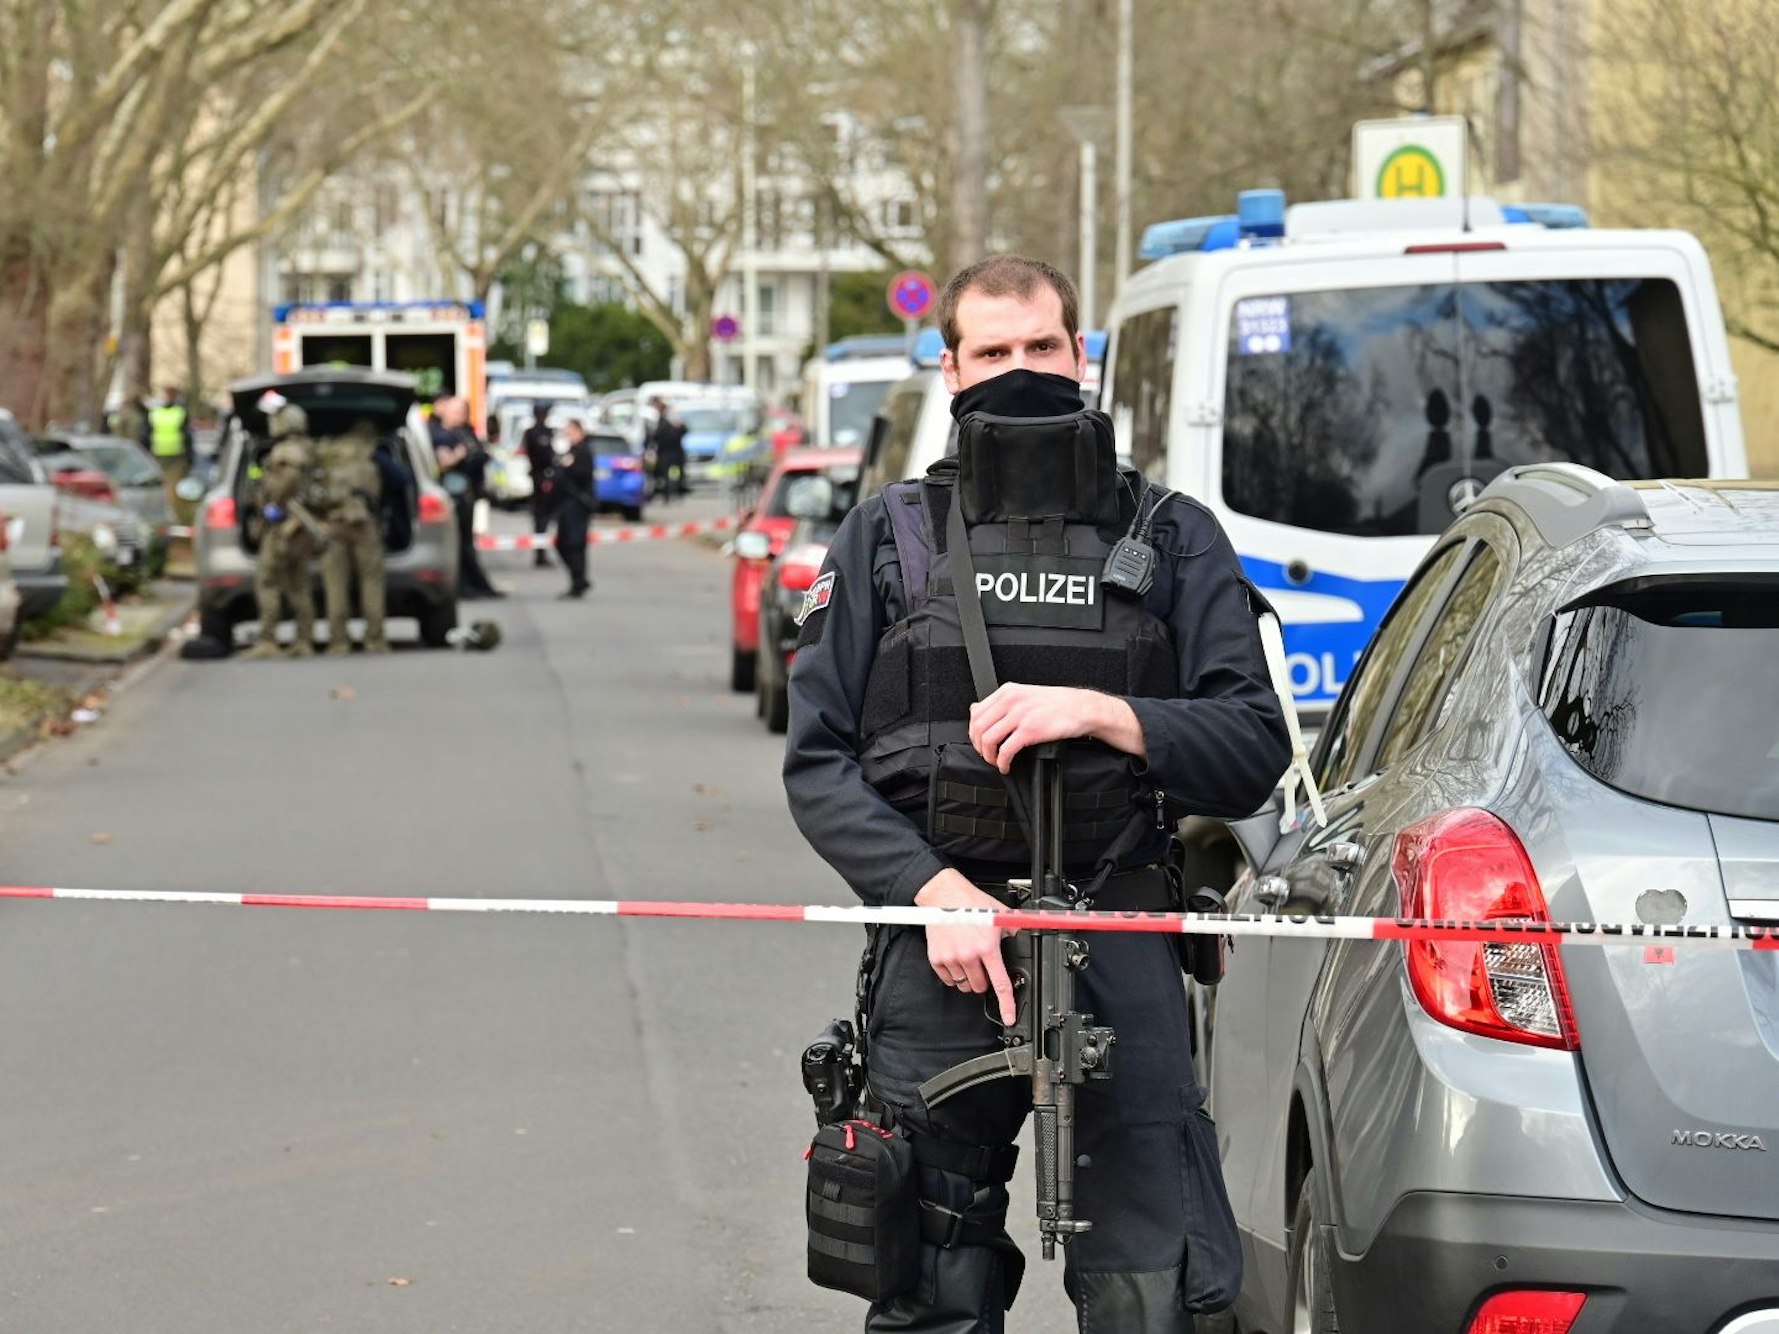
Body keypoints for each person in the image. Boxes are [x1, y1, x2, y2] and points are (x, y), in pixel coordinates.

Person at [783, 255, 1292, 1333]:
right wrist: (926, 886)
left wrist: (1110, 714)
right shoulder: (887, 537)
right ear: (952, 368)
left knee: (1155, 1293)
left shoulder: (1172, 531)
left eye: (1043, 347)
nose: (1023, 371)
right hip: (943, 951)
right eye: (995, 351)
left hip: (1121, 928)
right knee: (932, 1286)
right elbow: (817, 760)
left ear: (1084, 356)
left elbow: (1253, 746)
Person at [241, 400, 321, 661]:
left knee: (268, 581)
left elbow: (281, 487)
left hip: (283, 527)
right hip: (298, 528)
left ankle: (268, 640)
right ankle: (304, 640)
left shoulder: (287, 453)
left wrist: (271, 503)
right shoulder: (308, 450)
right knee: (299, 585)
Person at [314, 418, 389, 655]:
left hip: (333, 524)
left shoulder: (325, 459)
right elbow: (400, 480)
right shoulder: (370, 458)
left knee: (335, 584)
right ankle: (374, 640)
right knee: (371, 581)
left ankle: (338, 642)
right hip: (364, 524)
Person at [432, 395, 503, 599]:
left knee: (465, 543)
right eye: (456, 412)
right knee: (459, 544)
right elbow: (445, 461)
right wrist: (460, 454)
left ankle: (475, 585)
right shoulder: (441, 434)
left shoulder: (465, 432)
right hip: (453, 495)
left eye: (461, 412)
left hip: (466, 493)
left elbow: (480, 456)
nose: (459, 416)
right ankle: (466, 585)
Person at [552, 418, 596, 599]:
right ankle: (578, 579)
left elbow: (581, 475)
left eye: (570, 432)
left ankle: (579, 581)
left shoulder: (583, 452)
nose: (567, 436)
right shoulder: (569, 452)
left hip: (578, 504)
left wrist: (567, 466)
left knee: (575, 544)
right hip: (566, 503)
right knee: (563, 543)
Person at [520, 401, 559, 569]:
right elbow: (539, 455)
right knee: (540, 517)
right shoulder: (532, 433)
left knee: (547, 517)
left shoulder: (549, 432)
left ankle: (542, 550)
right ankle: (539, 553)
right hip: (539, 477)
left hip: (548, 476)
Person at [148, 386, 192, 492]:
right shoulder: (155, 412)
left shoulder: (179, 411)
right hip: (160, 455)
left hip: (174, 455)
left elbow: (187, 435)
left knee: (171, 487)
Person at [649, 397, 687, 503]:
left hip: (669, 452)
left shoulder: (665, 422)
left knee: (671, 474)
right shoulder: (666, 421)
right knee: (670, 474)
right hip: (672, 452)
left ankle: (672, 494)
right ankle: (672, 494)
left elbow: (656, 436)